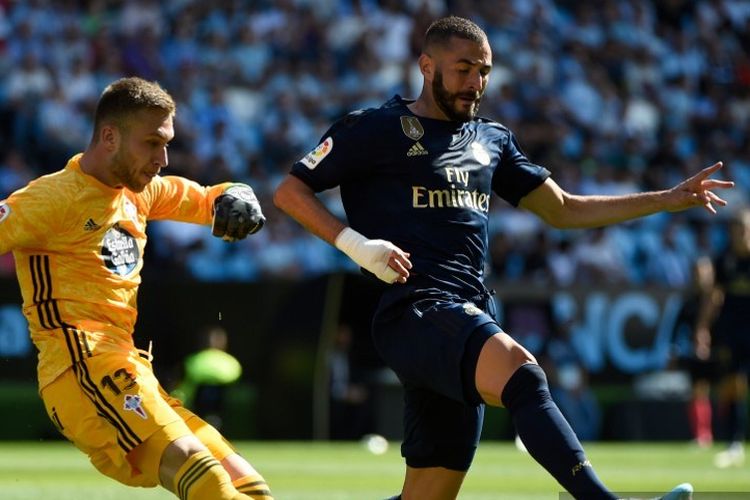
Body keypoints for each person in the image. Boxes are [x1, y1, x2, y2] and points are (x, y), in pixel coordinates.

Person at [273, 16, 734, 500]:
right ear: (426, 66)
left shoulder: (491, 139)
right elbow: (289, 192)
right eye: (463, 69)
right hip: (415, 310)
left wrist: (666, 198)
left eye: (485, 71)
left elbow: (562, 209)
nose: (476, 83)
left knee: (428, 497)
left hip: (469, 307)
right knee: (524, 374)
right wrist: (356, 245)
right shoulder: (373, 129)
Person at [0, 77, 272, 500]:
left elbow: (204, 197)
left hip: (128, 366)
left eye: (167, 143)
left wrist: (237, 195)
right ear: (109, 136)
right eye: (152, 143)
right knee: (209, 483)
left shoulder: (137, 193)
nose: (163, 158)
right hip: (80, 367)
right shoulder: (50, 198)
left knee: (248, 486)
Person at [697, 208, 750, 468]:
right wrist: (703, 329)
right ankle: (734, 442)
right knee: (732, 386)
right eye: (738, 231)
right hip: (732, 332)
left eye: (745, 231)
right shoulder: (724, 260)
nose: (741, 236)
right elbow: (714, 297)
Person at [172, 325, 243, 431]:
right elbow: (235, 379)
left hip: (197, 402)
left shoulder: (194, 360)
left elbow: (184, 381)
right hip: (223, 404)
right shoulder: (231, 362)